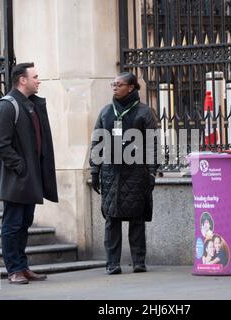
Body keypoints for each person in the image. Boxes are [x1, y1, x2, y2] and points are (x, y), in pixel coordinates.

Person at [0, 62, 58, 284]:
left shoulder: (29, 104)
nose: (38, 80)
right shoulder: (7, 106)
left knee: (24, 223)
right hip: (15, 178)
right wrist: (21, 167)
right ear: (22, 80)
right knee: (12, 225)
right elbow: (0, 145)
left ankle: (22, 266)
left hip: (29, 178)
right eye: (35, 76)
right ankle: (14, 270)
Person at [89, 72, 158, 275]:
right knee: (112, 219)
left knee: (136, 219)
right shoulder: (106, 112)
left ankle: (139, 262)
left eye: (119, 84)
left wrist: (152, 172)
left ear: (131, 87)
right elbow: (97, 142)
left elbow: (153, 144)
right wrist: (95, 170)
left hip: (137, 173)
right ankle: (112, 263)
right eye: (113, 84)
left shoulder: (144, 112)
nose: (114, 87)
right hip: (111, 174)